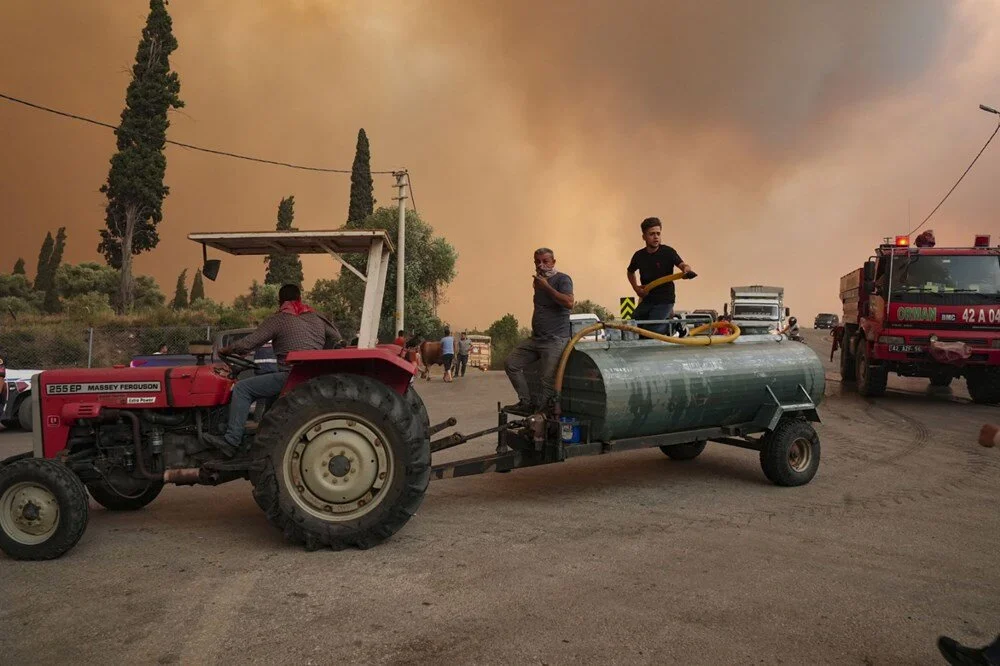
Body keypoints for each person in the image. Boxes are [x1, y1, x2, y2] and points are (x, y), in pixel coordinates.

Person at [203, 284, 342, 456]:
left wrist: (227, 350)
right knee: (269, 397)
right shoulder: (317, 317)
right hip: (311, 376)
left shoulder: (279, 319)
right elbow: (337, 338)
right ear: (300, 298)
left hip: (290, 376)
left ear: (280, 301)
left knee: (242, 388)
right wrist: (319, 351)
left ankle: (231, 440)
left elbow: (248, 344)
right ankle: (258, 440)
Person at [505, 247, 574, 413]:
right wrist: (541, 285)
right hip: (537, 339)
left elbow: (569, 302)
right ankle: (526, 402)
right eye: (537, 262)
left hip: (555, 340)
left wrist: (547, 287)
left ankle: (543, 415)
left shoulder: (562, 279)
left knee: (547, 380)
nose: (540, 265)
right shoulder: (538, 282)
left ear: (553, 262)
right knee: (511, 363)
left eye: (545, 261)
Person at [627, 217, 695, 334]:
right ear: (644, 237)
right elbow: (630, 272)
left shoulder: (668, 252)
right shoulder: (639, 256)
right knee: (633, 326)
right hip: (648, 299)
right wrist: (636, 288)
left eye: (658, 233)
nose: (656, 237)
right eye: (652, 234)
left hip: (665, 300)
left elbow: (682, 265)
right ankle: (668, 323)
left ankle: (675, 325)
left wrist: (686, 269)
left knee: (652, 331)